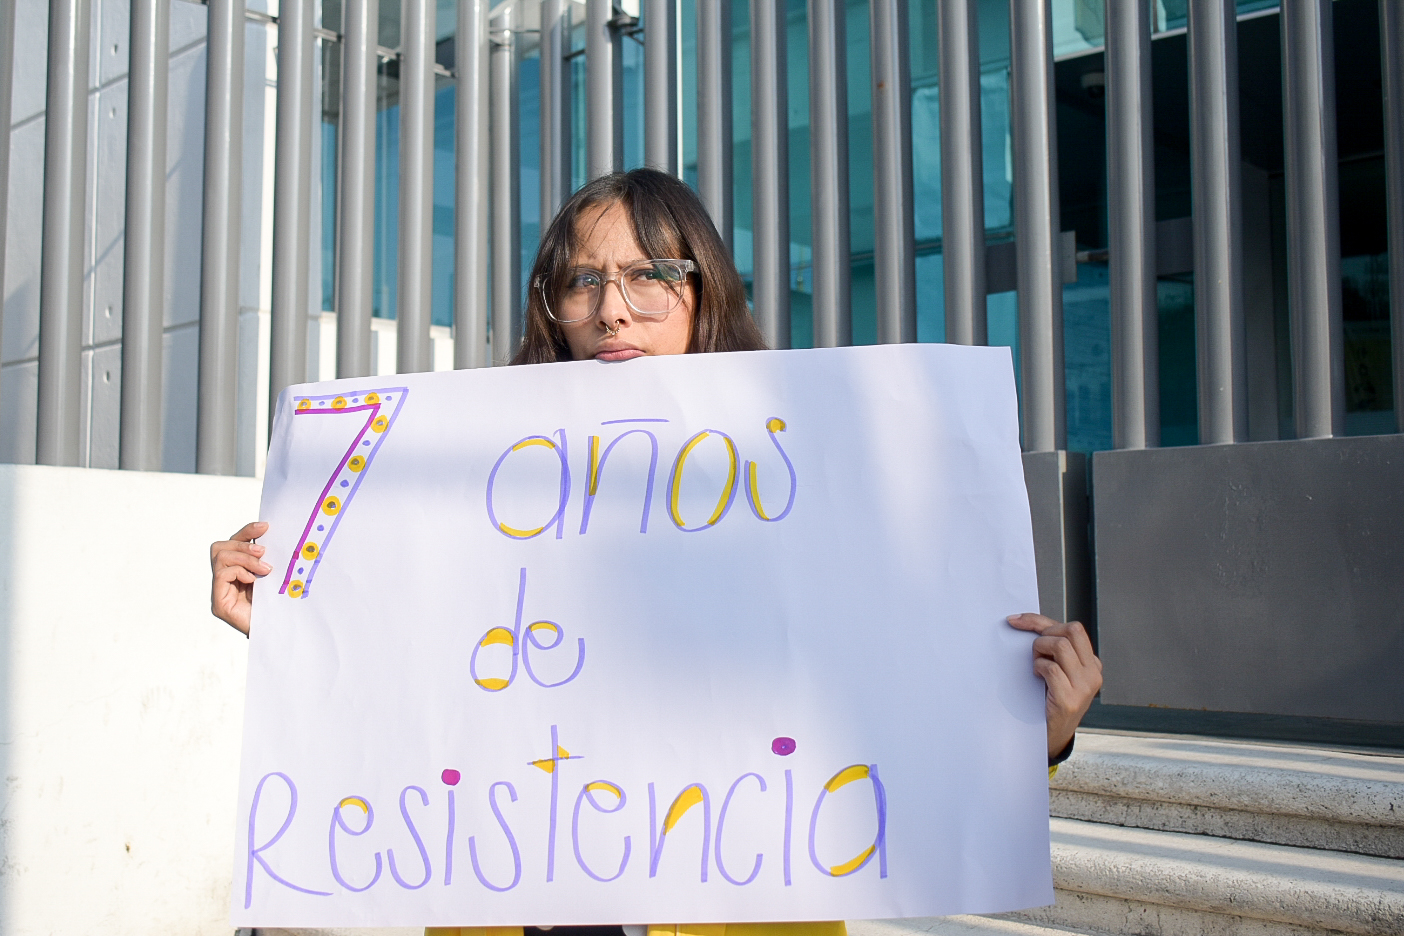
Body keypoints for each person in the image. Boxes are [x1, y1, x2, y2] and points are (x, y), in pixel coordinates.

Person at [210, 168, 1103, 936]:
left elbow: (881, 694)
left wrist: (1037, 736)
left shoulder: (806, 476)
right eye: (583, 282)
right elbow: (428, 687)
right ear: (551, 307)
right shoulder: (479, 483)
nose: (611, 312)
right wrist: (300, 630)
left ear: (702, 287)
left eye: (649, 277)